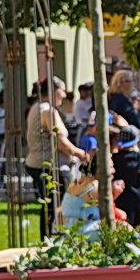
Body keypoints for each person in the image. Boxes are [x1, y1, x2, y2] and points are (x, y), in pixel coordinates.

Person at [26, 77, 90, 236]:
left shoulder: (38, 107)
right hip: (50, 165)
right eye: (62, 90)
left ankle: (48, 239)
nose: (64, 94)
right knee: (56, 206)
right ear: (53, 91)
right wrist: (81, 154)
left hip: (38, 163)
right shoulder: (48, 111)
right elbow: (61, 143)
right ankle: (51, 239)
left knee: (50, 205)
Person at [111, 122, 140, 226]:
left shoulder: (115, 157)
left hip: (120, 192)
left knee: (122, 216)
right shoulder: (138, 156)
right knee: (137, 216)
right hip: (136, 191)